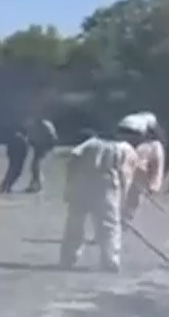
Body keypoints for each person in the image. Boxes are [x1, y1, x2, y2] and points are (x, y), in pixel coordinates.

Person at [59, 116, 141, 273]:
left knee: (75, 223)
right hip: (108, 186)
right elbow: (126, 175)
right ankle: (110, 259)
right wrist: (123, 197)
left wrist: (69, 187)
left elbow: (73, 162)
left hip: (82, 184)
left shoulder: (90, 143)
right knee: (110, 225)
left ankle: (68, 257)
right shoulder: (125, 149)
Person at [123, 113, 166, 220]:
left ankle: (127, 217)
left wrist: (153, 185)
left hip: (138, 178)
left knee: (134, 199)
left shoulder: (154, 146)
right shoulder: (124, 143)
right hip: (122, 175)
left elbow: (157, 166)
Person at [26, 116, 58, 193]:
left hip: (44, 146)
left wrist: (47, 147)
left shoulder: (45, 125)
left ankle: (38, 185)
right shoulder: (38, 125)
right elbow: (32, 138)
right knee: (35, 166)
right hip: (40, 146)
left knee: (35, 165)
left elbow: (52, 137)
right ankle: (35, 184)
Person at [0, 126, 30, 193]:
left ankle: (4, 186)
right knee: (16, 173)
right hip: (18, 159)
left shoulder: (14, 139)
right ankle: (7, 186)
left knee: (10, 172)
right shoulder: (23, 140)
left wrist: (10, 156)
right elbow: (25, 150)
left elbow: (9, 149)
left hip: (13, 158)